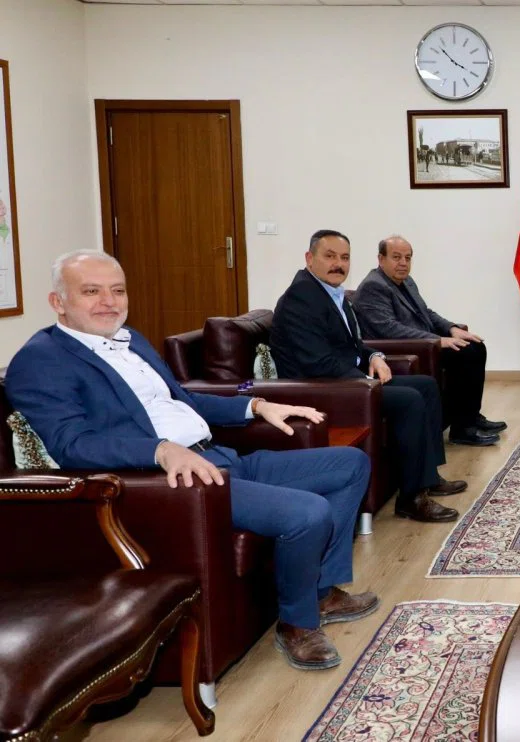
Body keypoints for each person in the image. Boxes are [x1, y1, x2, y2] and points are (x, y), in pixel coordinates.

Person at [5, 250, 379, 671]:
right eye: (91, 292)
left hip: (219, 457)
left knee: (350, 464)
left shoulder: (132, 340)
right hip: (173, 482)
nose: (108, 302)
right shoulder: (40, 361)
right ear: (58, 302)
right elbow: (72, 444)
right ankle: (297, 622)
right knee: (308, 512)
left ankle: (321, 592)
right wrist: (159, 450)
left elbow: (183, 399)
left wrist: (256, 405)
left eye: (117, 291)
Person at [269, 229, 463, 524]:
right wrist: (366, 382)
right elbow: (317, 362)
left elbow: (353, 345)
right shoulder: (301, 298)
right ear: (309, 258)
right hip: (321, 389)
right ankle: (411, 499)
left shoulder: (331, 293)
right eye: (330, 256)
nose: (339, 264)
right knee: (409, 399)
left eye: (344, 258)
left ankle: (428, 476)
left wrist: (374, 356)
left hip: (346, 381)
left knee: (426, 386)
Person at [352, 235, 505, 446]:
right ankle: (462, 430)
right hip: (402, 350)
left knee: (475, 347)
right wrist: (437, 340)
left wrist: (451, 329)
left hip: (424, 344)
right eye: (396, 257)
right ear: (381, 259)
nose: (403, 263)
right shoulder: (373, 286)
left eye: (407, 258)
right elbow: (389, 329)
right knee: (465, 353)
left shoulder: (406, 281)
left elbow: (426, 312)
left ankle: (470, 416)